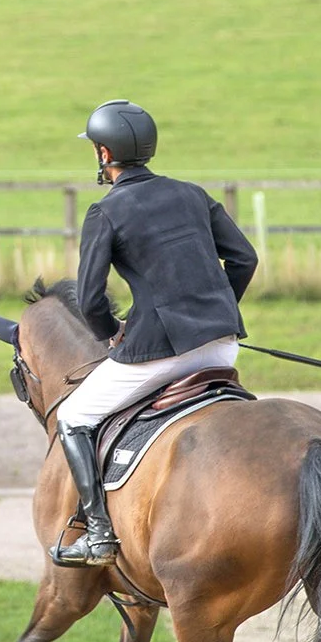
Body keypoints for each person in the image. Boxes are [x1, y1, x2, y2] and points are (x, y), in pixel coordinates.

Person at [50, 100, 258, 566]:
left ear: (105, 154)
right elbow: (245, 259)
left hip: (159, 352)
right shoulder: (192, 193)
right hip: (222, 348)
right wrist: (214, 313)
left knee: (75, 416)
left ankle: (99, 533)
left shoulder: (105, 212)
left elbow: (90, 300)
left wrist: (110, 334)